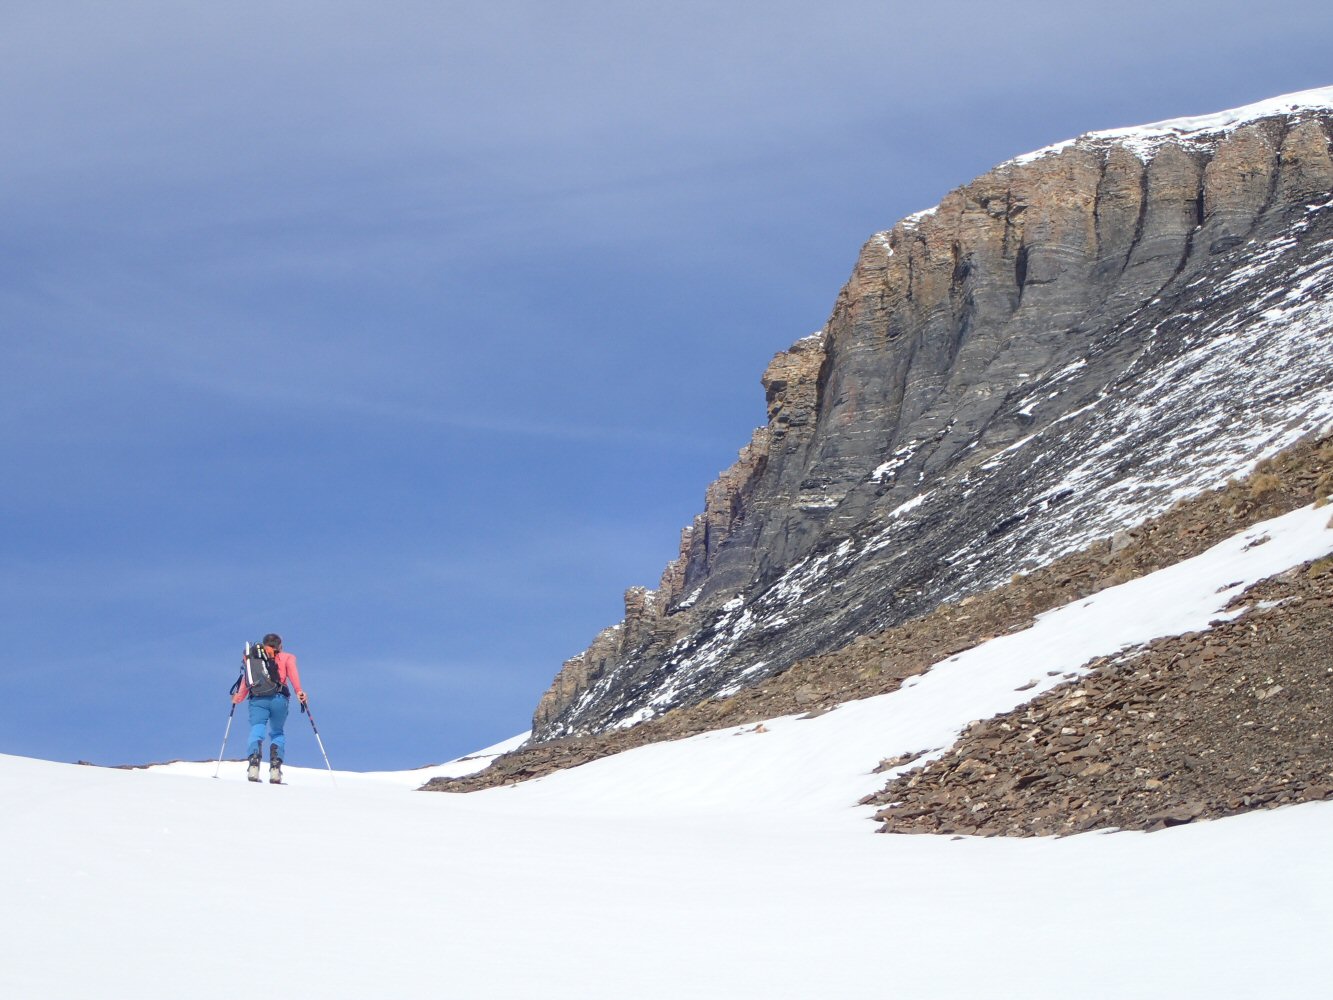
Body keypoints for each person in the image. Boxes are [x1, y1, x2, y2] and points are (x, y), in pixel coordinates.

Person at [232, 632, 307, 783]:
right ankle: (275, 769)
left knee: (257, 728)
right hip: (279, 698)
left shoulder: (254, 658)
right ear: (280, 645)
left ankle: (253, 764)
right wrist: (299, 691)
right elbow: (293, 674)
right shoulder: (287, 657)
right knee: (277, 732)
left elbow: (248, 679)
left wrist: (238, 697)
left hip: (258, 698)